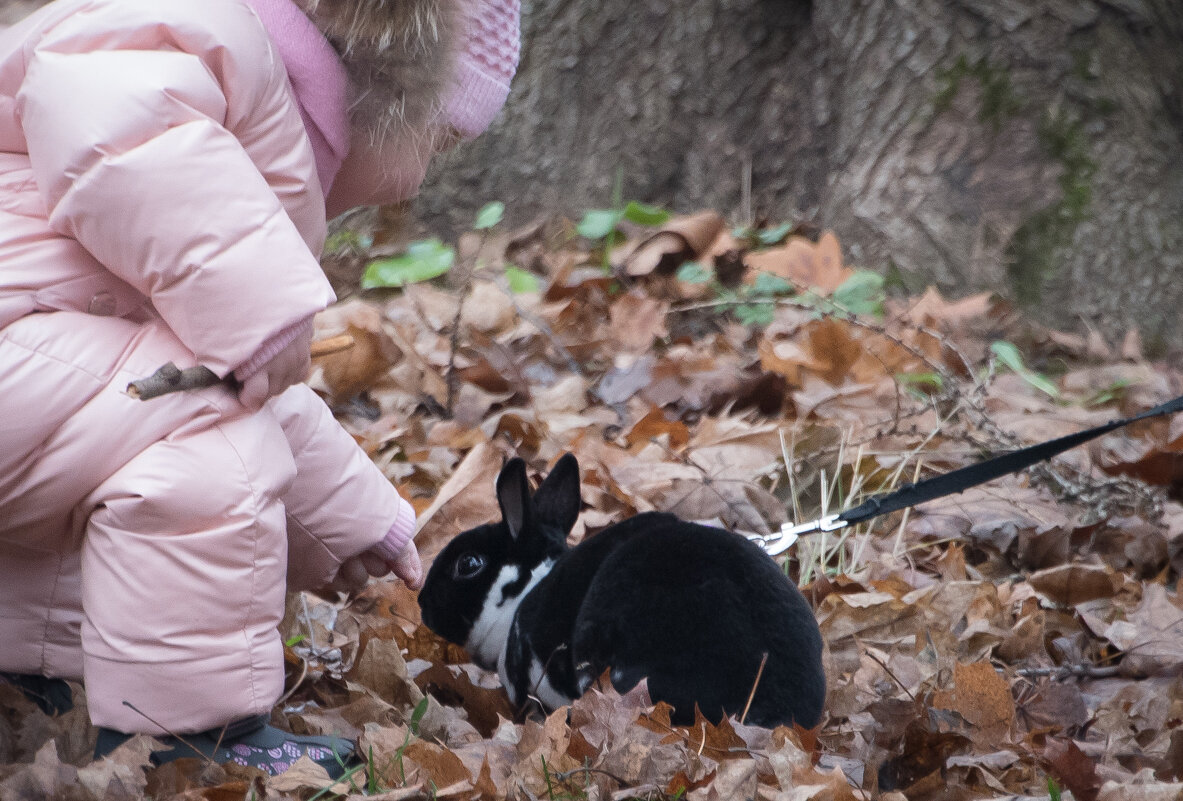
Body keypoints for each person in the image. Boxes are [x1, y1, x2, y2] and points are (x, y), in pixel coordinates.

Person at [0, 0, 519, 777]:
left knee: (157, 412)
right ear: (394, 84)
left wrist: (346, 516)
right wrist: (257, 301)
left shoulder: (250, 101)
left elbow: (218, 381)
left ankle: (26, 668)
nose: (428, 165)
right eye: (442, 138)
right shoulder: (206, 35)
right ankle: (190, 734)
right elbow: (111, 115)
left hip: (27, 364)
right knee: (206, 447)